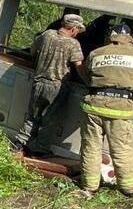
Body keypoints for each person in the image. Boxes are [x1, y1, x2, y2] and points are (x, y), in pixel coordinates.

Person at [76, 23, 133, 198]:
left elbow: (87, 76)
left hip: (93, 105)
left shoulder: (96, 53)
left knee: (91, 147)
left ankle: (90, 187)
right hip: (120, 109)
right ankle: (130, 188)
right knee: (121, 148)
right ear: (131, 37)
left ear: (111, 36)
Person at [20, 13, 85, 154]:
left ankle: (21, 143)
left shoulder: (46, 35)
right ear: (73, 28)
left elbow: (32, 51)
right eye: (78, 30)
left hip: (38, 82)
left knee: (32, 117)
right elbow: (79, 67)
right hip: (57, 86)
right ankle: (40, 149)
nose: (78, 34)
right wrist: (88, 81)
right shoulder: (73, 44)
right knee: (48, 120)